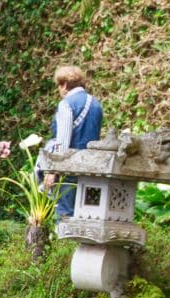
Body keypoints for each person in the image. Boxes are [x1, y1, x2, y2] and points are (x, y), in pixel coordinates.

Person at [42, 65, 103, 218]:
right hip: (91, 166)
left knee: (65, 210)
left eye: (58, 85)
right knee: (87, 213)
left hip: (70, 167)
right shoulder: (96, 104)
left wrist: (52, 170)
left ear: (64, 85)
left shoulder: (67, 104)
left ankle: (65, 241)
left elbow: (62, 142)